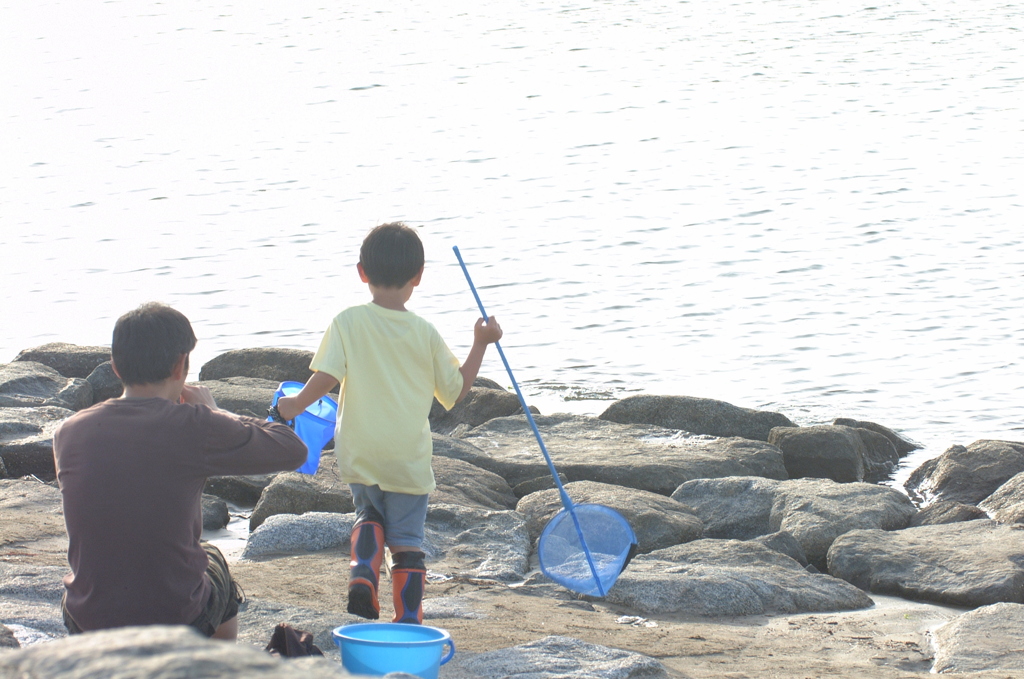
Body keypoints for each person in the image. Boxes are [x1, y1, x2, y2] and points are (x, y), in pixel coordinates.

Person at [273, 222, 502, 624]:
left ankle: (363, 572)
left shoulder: (347, 321)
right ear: (419, 276)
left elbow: (325, 377)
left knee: (369, 515)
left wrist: (293, 406)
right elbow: (456, 392)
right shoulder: (425, 333)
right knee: (407, 542)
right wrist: (480, 343)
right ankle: (408, 618)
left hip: (360, 449)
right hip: (407, 458)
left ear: (362, 272)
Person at [53, 302, 307, 639]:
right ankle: (212, 665)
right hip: (175, 617)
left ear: (115, 367)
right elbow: (292, 449)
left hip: (88, 620)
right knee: (213, 556)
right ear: (180, 366)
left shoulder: (68, 431)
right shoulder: (194, 426)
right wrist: (216, 412)